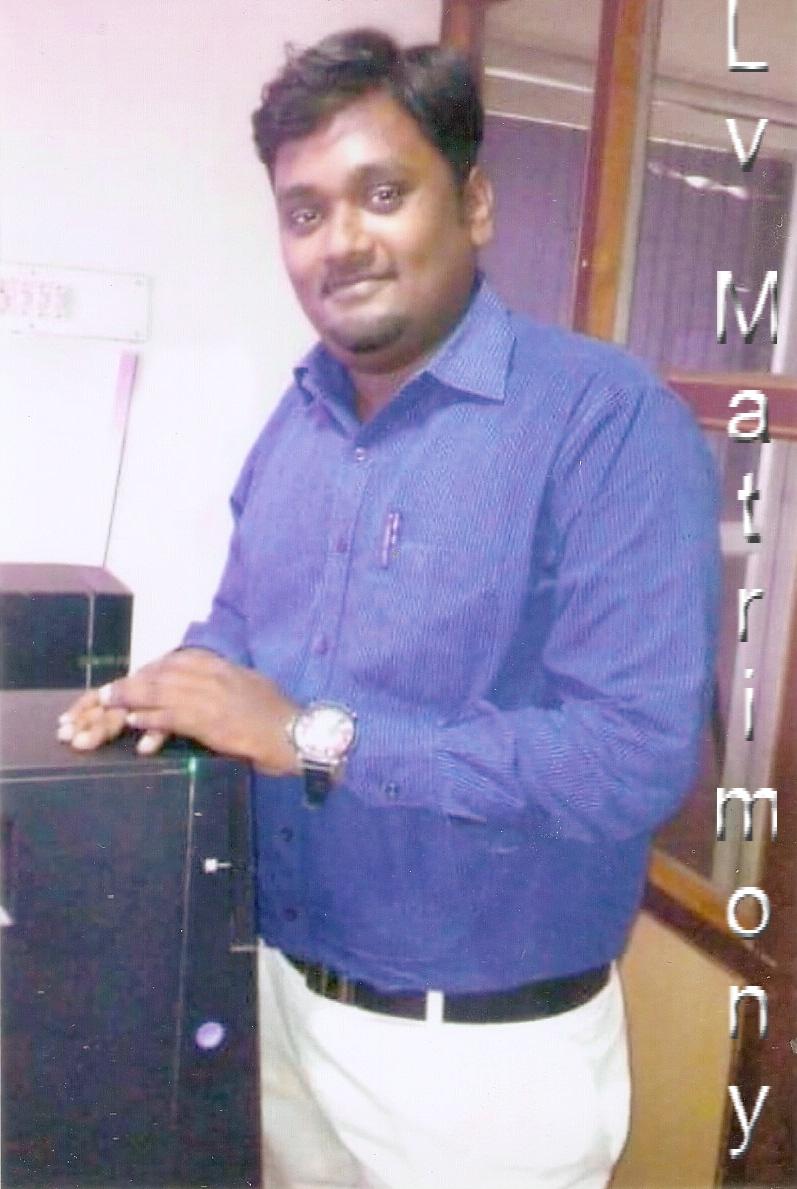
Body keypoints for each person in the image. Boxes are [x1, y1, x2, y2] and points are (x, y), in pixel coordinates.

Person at [58, 28, 720, 1189]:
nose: (340, 240)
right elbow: (243, 625)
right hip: (278, 1003)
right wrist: (165, 692)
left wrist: (309, 735)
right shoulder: (298, 415)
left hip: (478, 1066)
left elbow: (630, 756)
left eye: (381, 193)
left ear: (473, 204)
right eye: (303, 211)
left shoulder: (604, 421)